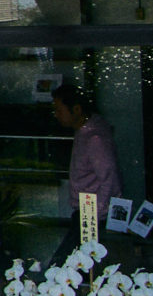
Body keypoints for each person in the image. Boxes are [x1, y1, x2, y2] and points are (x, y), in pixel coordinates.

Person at [51, 83, 120, 222]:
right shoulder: (83, 131)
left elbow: (110, 181)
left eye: (59, 110)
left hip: (94, 216)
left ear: (76, 109)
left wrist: (94, 215)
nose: (56, 115)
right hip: (86, 212)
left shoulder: (94, 138)